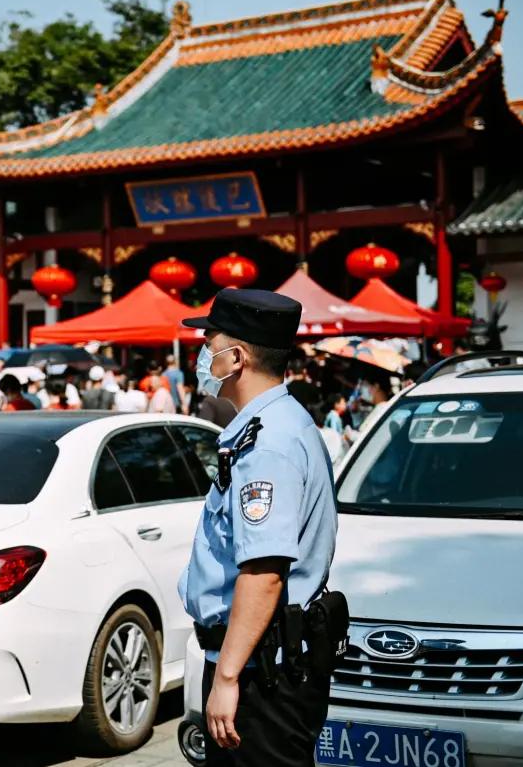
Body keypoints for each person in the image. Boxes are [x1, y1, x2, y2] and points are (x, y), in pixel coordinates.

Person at [177, 289, 340, 766]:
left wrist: (227, 678)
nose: (202, 354)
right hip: (259, 661)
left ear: (236, 357)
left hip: (261, 674)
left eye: (209, 343)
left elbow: (264, 571)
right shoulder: (275, 425)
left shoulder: (268, 445)